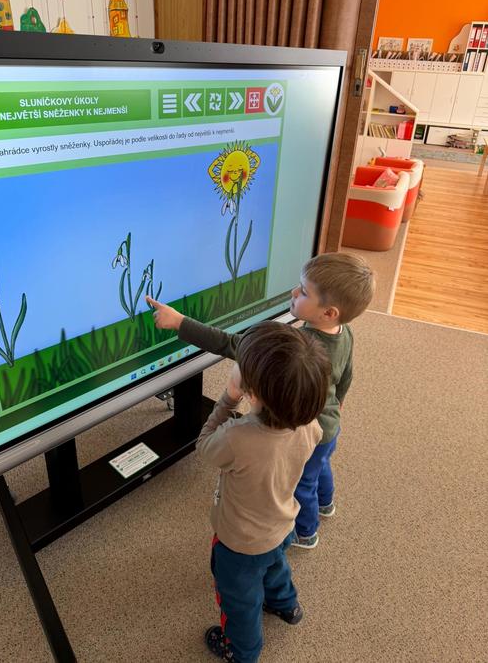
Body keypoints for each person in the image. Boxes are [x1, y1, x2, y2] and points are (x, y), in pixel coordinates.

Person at [146, 251, 375, 550]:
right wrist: (339, 401)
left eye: (303, 291)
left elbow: (232, 344)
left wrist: (180, 323)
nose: (293, 292)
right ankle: (326, 503)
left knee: (302, 483)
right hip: (328, 426)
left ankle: (306, 532)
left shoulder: (293, 352)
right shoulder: (344, 332)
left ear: (329, 312)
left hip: (304, 430)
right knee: (321, 466)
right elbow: (347, 373)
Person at [193, 321, 331, 662]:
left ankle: (243, 652)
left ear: (252, 395)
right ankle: (286, 605)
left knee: (239, 600)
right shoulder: (310, 425)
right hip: (282, 524)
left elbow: (203, 445)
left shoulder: (236, 438)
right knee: (275, 566)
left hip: (239, 543)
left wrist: (228, 398)